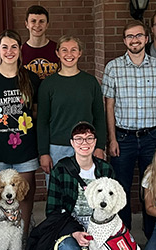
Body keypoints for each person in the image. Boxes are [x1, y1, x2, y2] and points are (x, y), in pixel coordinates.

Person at [102, 22, 156, 227]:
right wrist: (112, 139)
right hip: (123, 138)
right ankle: (124, 235)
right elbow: (109, 106)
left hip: (152, 138)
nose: (135, 40)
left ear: (146, 38)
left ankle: (152, 235)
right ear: (124, 40)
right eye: (130, 36)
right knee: (120, 188)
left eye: (139, 36)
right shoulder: (113, 67)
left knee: (152, 187)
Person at [43, 122, 114, 250]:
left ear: (95, 142)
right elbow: (53, 210)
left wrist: (92, 245)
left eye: (89, 138)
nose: (85, 143)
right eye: (79, 139)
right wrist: (74, 232)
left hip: (99, 226)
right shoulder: (61, 169)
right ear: (72, 143)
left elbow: (113, 208)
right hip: (71, 225)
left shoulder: (105, 170)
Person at [0, 30, 41, 175]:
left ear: (20, 49)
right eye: (5, 47)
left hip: (25, 151)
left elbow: (36, 112)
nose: (9, 51)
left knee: (25, 196)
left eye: (14, 47)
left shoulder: (32, 79)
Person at [36, 35, 107, 172]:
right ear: (57, 53)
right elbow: (42, 121)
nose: (69, 54)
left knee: (87, 190)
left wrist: (100, 147)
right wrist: (44, 152)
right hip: (57, 147)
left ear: (80, 53)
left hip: (86, 145)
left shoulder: (90, 82)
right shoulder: (48, 85)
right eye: (64, 50)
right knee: (59, 191)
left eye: (74, 50)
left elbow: (99, 116)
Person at [21, 6, 60, 79]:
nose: (37, 25)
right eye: (33, 21)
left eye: (41, 21)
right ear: (26, 24)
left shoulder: (58, 49)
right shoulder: (19, 51)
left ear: (47, 25)